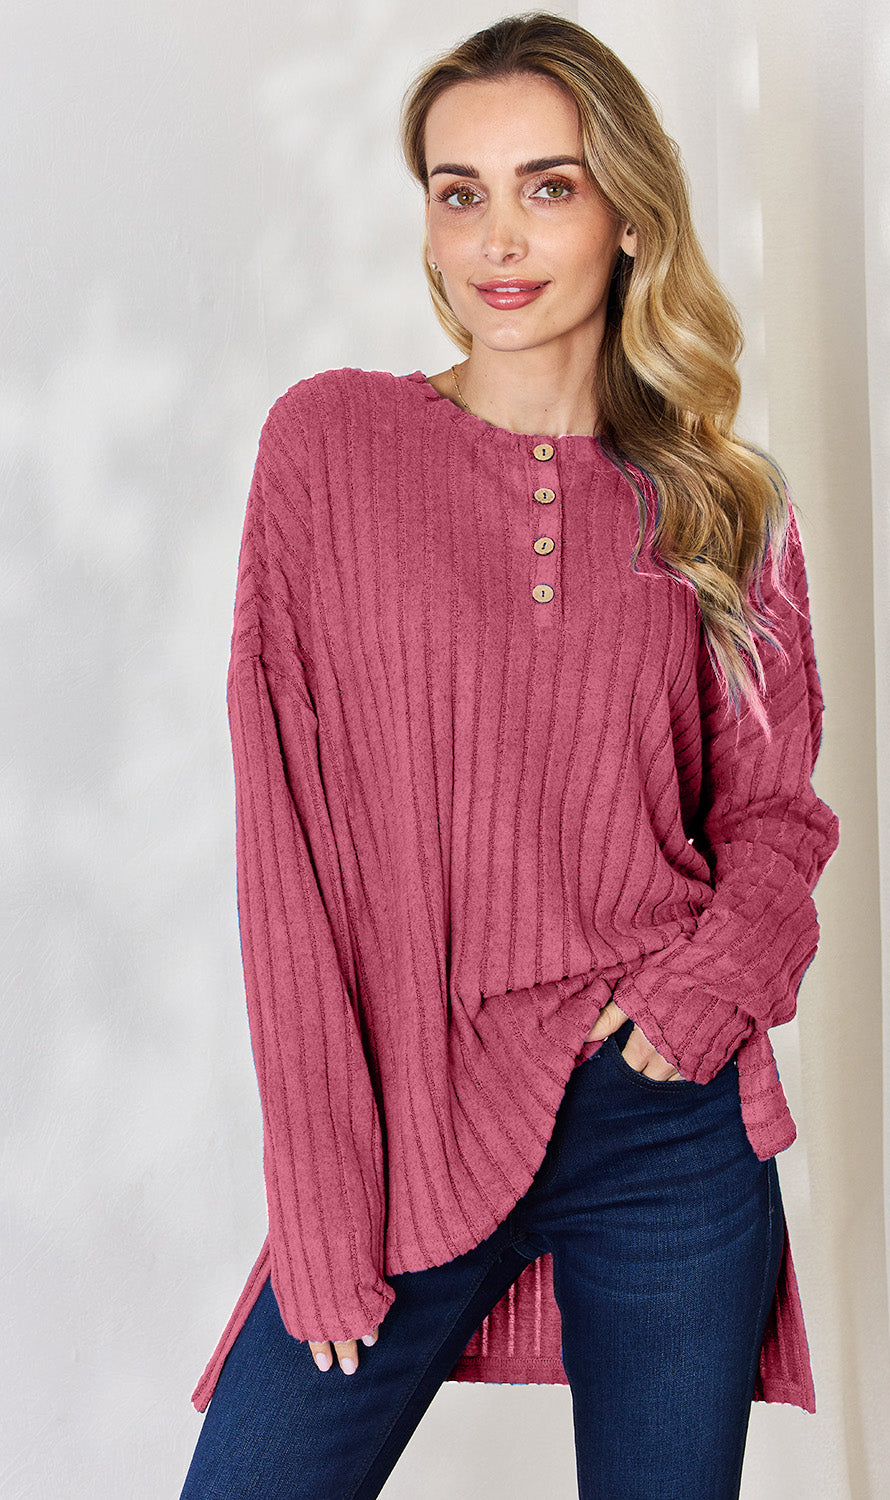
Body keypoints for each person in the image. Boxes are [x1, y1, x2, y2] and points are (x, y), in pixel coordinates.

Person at [179, 11, 839, 1498]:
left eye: (549, 186)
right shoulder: (330, 448)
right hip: (414, 1115)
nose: (499, 236)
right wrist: (322, 1189)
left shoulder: (721, 503)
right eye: (458, 190)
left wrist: (701, 994)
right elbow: (286, 844)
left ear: (628, 214)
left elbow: (776, 819)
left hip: (663, 1118)